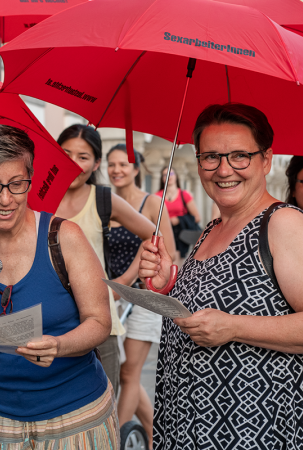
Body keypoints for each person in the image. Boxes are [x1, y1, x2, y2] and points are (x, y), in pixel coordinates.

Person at [140, 103, 303, 449]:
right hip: (189, 422)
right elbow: (209, 306)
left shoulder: (283, 224)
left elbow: (229, 319)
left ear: (266, 160)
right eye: (211, 157)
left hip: (250, 427)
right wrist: (166, 283)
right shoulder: (212, 228)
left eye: (240, 156)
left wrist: (234, 327)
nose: (224, 169)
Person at [0, 124, 120, 449]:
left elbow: (100, 322)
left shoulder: (64, 238)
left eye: (17, 184)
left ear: (30, 178)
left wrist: (59, 345)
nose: (5, 199)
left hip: (75, 416)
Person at [55, 125, 156, 396]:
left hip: (99, 323)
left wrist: (123, 282)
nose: (73, 163)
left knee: (104, 405)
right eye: (66, 154)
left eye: (83, 157)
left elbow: (152, 236)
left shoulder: (102, 199)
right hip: (50, 323)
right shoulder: (39, 198)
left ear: (96, 163)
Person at [106, 144, 175, 449]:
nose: (117, 170)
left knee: (129, 373)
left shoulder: (152, 203)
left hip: (144, 298)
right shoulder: (106, 203)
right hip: (113, 298)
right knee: (125, 374)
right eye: (112, 164)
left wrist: (134, 276)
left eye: (123, 164)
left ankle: (115, 440)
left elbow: (169, 253)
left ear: (136, 169)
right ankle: (153, 437)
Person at [156, 167, 201, 264]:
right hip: (163, 234)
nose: (168, 176)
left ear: (176, 176)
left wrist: (179, 219)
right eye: (165, 175)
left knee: (177, 266)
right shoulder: (157, 196)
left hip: (180, 235)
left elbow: (197, 217)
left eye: (171, 174)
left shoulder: (184, 195)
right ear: (162, 178)